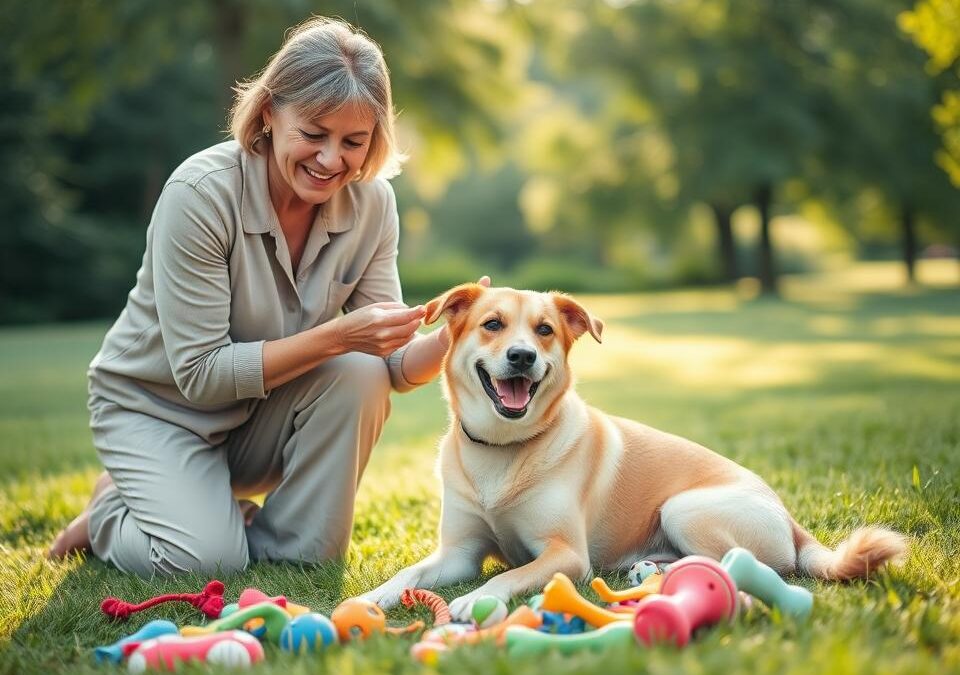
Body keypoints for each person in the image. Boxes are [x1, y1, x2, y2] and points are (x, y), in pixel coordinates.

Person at [48, 16, 484, 577]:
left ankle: (283, 544)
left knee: (361, 376)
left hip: (259, 415)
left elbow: (393, 367)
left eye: (354, 142)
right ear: (271, 112)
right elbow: (201, 375)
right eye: (313, 134)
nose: (332, 160)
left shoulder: (372, 204)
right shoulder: (200, 194)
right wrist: (337, 336)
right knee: (203, 562)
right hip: (158, 412)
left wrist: (463, 331)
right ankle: (112, 509)